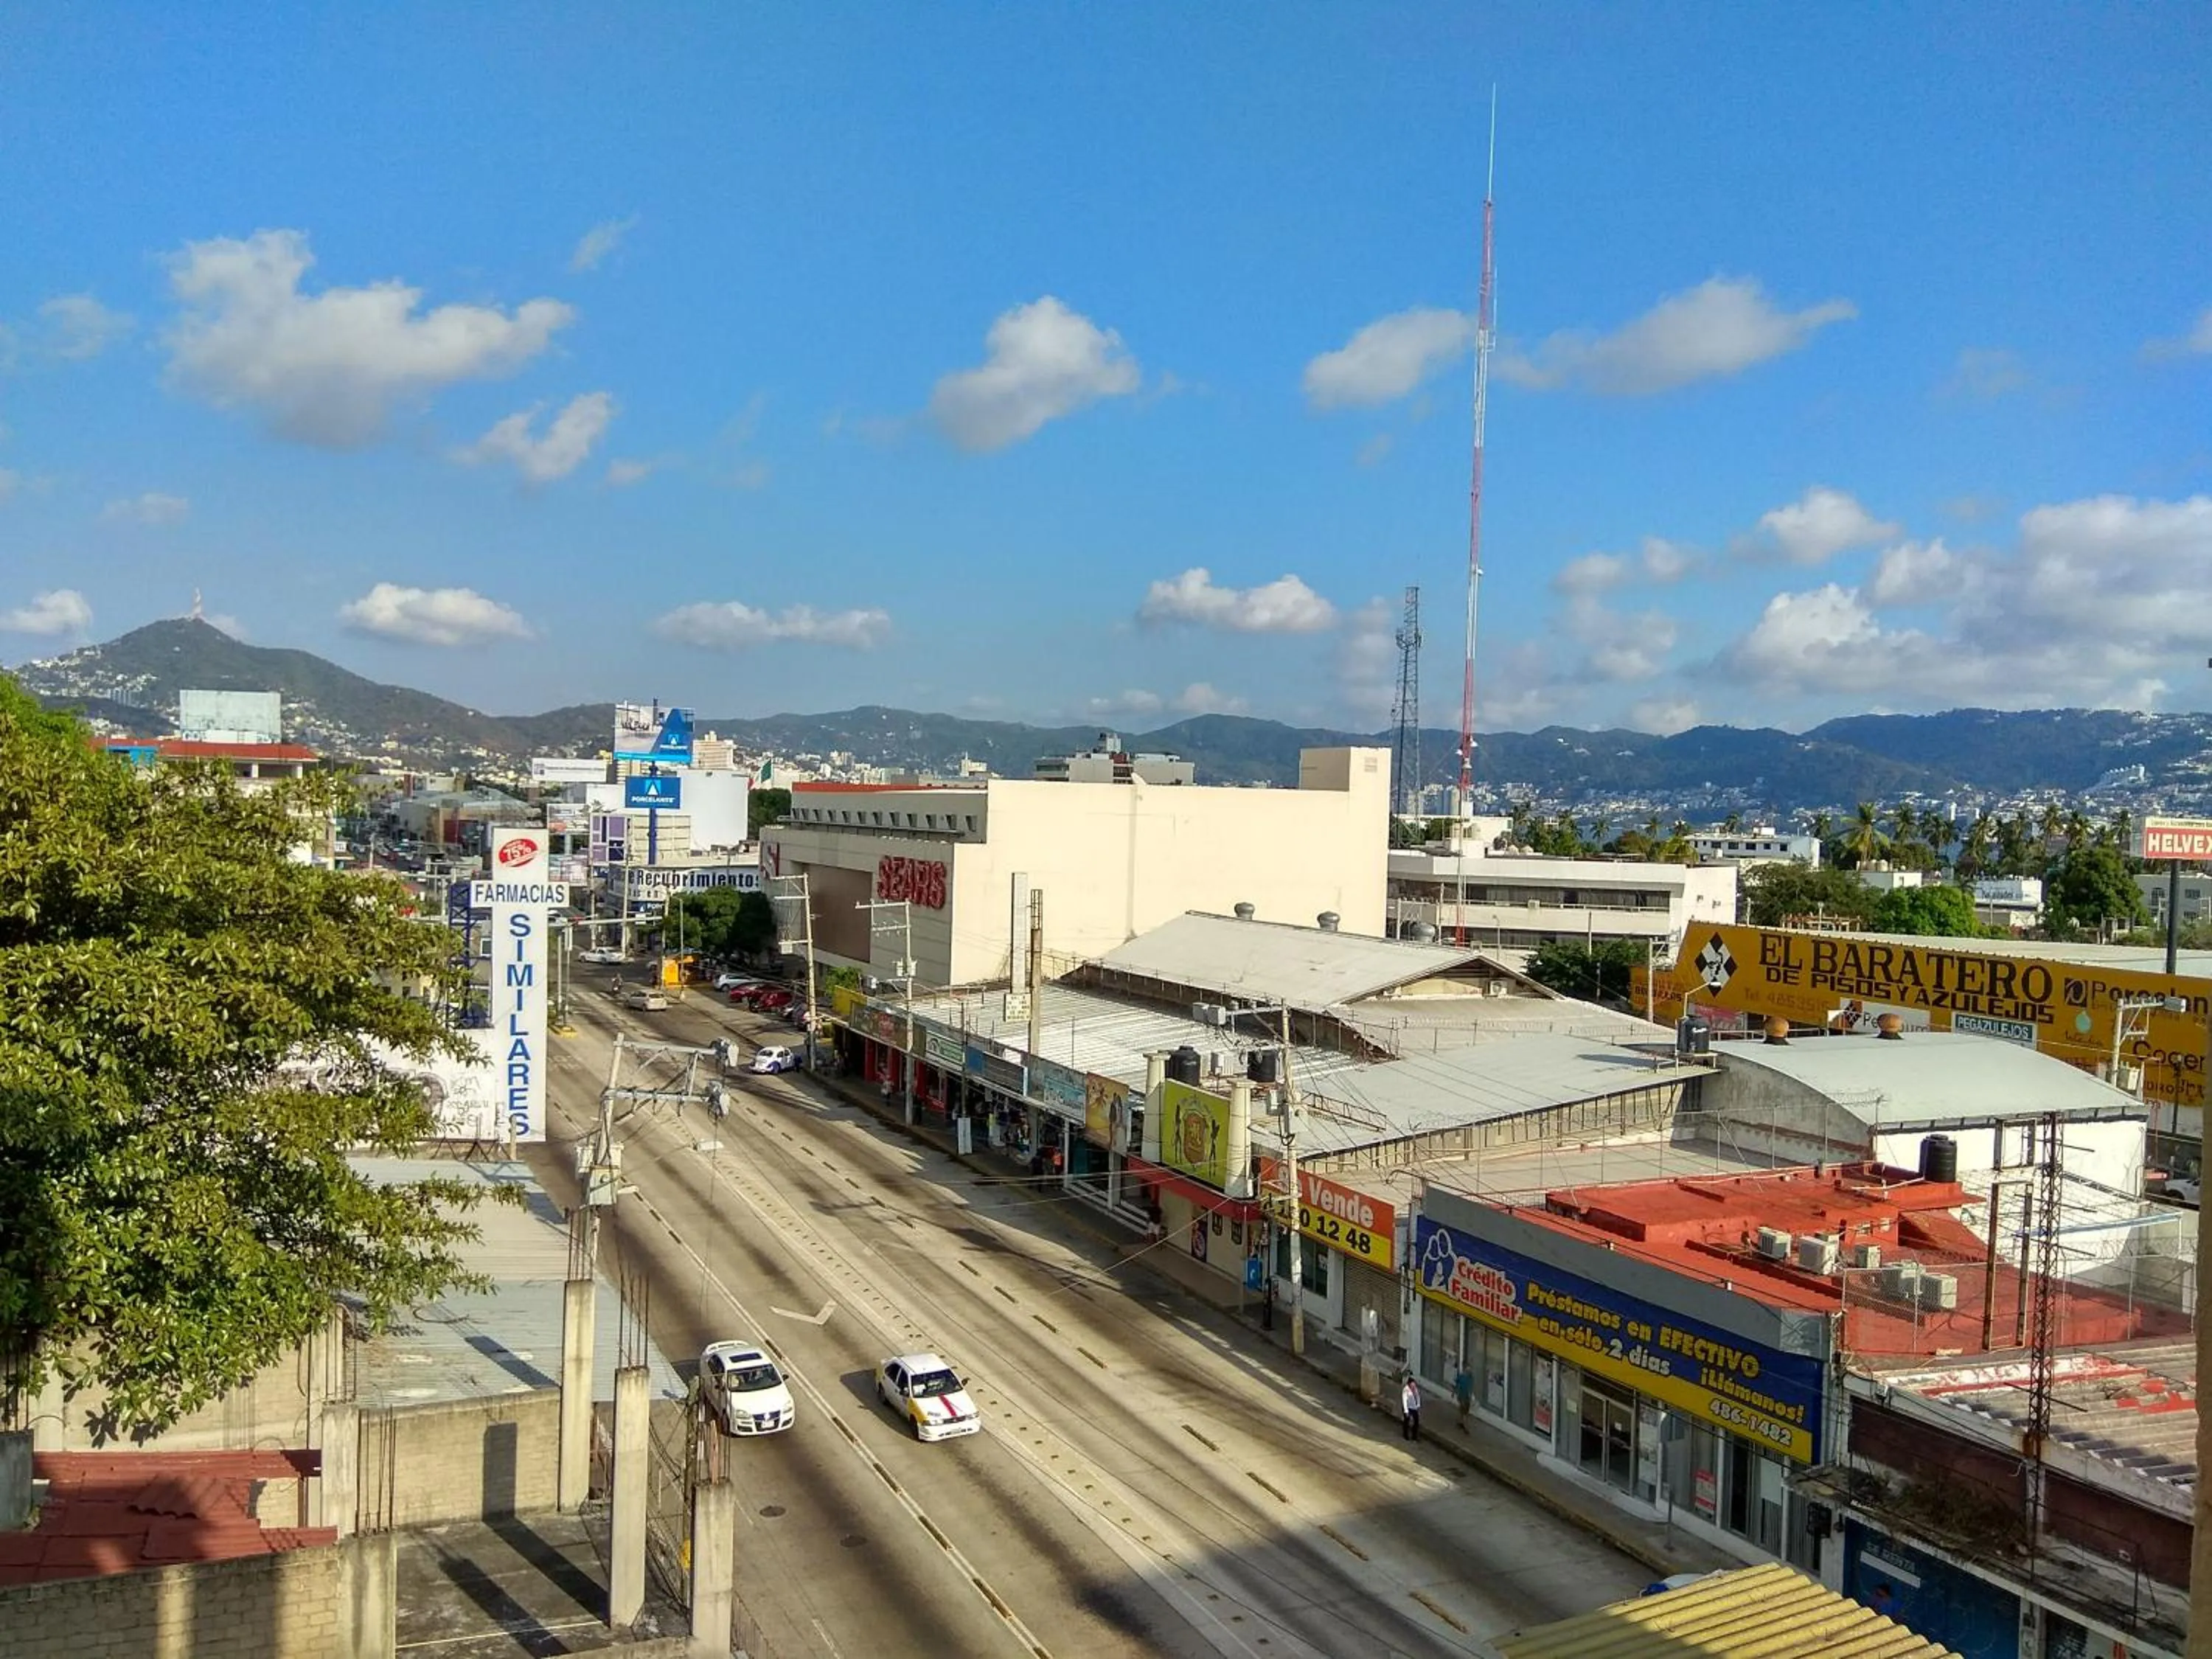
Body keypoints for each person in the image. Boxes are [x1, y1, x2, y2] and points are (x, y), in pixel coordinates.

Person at [1400, 1373, 1422, 1441]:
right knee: (1407, 1421)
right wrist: (1406, 1411)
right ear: (1409, 1384)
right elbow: (1404, 1400)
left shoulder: (1415, 1389)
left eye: (1414, 1384)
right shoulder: (1405, 1390)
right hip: (1408, 1407)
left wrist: (1418, 1405)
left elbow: (1417, 1396)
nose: (1414, 1386)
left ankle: (1414, 1436)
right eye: (1412, 1384)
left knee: (1416, 1421)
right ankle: (1405, 1435)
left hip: (1414, 1407)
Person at [1453, 1363, 1473, 1429]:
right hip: (1462, 1396)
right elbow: (1457, 1385)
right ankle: (1465, 1424)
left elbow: (1470, 1388)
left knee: (1464, 1410)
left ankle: (1462, 1422)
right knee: (1464, 1410)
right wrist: (1453, 1393)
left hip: (1466, 1397)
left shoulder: (1470, 1378)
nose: (1468, 1372)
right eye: (1468, 1370)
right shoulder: (1463, 1377)